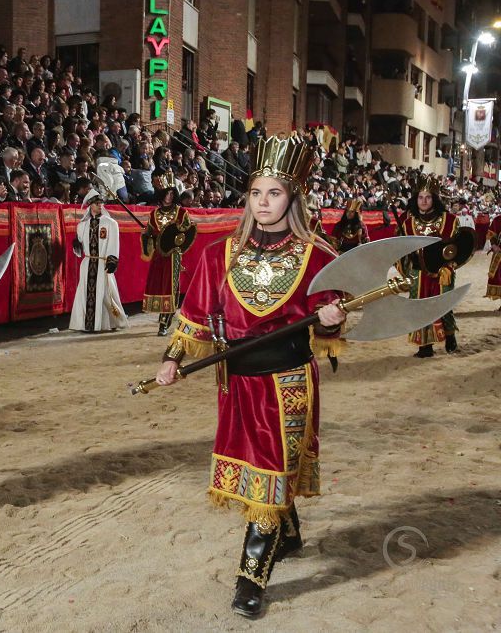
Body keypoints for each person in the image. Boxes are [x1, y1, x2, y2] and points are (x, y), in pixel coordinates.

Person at [153, 136, 347, 618]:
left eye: (274, 193)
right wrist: (173, 357)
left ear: (293, 198)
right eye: (256, 193)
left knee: (273, 467)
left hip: (288, 384)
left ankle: (250, 578)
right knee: (262, 469)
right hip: (236, 380)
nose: (263, 203)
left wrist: (333, 319)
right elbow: (195, 314)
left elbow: (331, 317)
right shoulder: (220, 253)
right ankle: (291, 532)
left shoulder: (317, 254)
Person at [396, 175, 460, 357]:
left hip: (442, 271)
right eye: (420, 197)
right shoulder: (408, 224)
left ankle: (450, 336)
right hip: (418, 272)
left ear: (434, 199)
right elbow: (400, 252)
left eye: (428, 197)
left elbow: (458, 248)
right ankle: (425, 346)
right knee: (419, 307)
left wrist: (450, 266)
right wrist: (405, 267)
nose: (424, 201)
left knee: (444, 305)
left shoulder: (450, 220)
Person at [141, 173, 194, 334]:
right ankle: (163, 313)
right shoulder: (154, 214)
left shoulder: (181, 213)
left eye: (172, 193)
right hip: (158, 255)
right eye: (167, 193)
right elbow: (149, 232)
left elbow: (187, 233)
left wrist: (177, 242)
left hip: (173, 256)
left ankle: (165, 320)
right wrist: (146, 236)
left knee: (171, 286)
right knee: (159, 285)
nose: (169, 196)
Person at [69, 189, 128, 332]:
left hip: (103, 263)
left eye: (101, 203)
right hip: (88, 263)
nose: (100, 205)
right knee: (86, 294)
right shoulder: (82, 225)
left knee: (107, 294)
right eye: (96, 203)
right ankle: (86, 324)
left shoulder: (111, 223)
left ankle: (114, 321)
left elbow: (114, 243)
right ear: (90, 205)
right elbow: (79, 250)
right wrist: (76, 244)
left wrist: (113, 260)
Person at [486, 213, 501, 309]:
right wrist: (494, 245)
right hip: (500, 255)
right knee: (499, 278)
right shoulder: (498, 220)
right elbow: (492, 236)